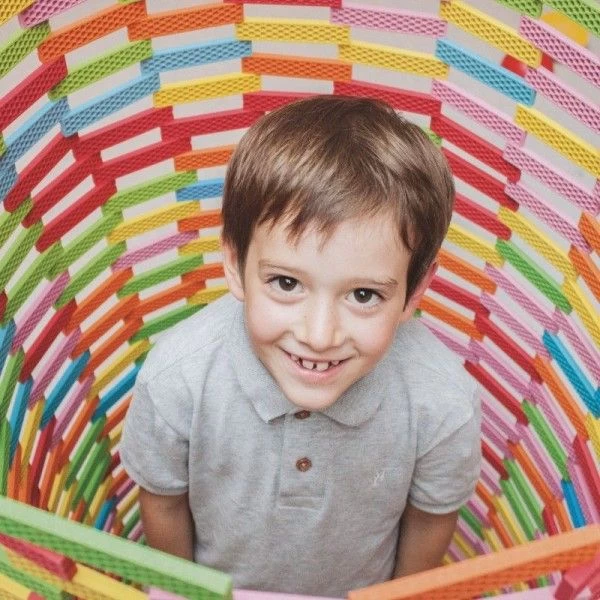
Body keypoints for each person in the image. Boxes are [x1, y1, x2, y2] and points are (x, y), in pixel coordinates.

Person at [120, 95, 481, 597]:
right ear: (234, 264)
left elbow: (430, 519)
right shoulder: (179, 379)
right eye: (287, 283)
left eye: (363, 295)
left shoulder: (441, 403)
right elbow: (162, 501)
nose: (319, 335)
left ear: (414, 290)